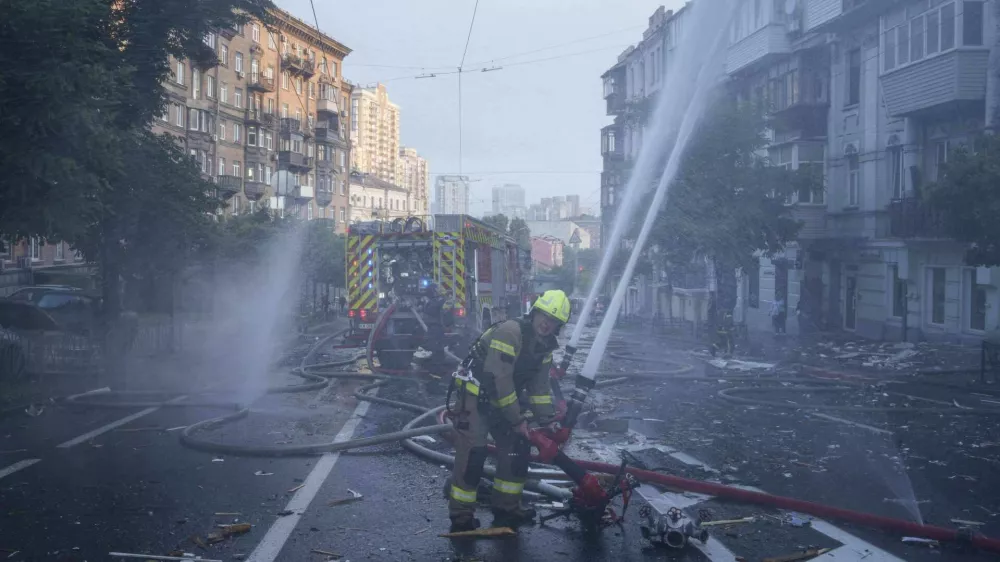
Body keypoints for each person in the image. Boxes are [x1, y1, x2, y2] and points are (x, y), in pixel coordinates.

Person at [446, 289, 571, 532]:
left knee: (516, 451)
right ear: (534, 313)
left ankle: (507, 509)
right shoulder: (510, 332)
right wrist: (517, 421)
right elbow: (499, 380)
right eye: (544, 316)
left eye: (554, 320)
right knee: (474, 455)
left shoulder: (544, 347)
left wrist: (547, 421)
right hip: (475, 398)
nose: (547, 323)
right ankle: (461, 519)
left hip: (503, 400)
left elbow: (540, 387)